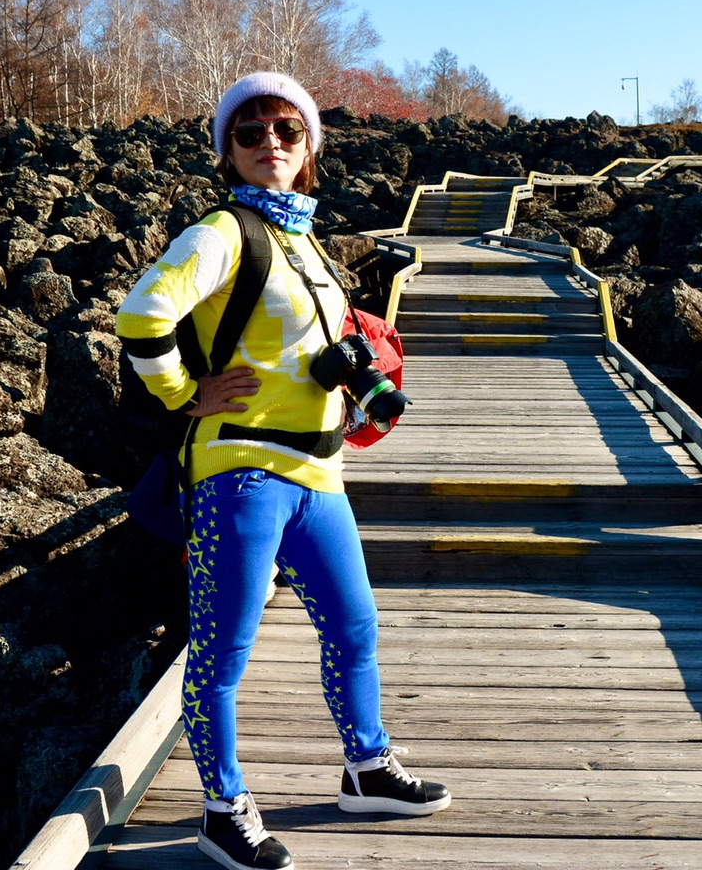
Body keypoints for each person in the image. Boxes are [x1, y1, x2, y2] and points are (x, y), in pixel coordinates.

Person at [116, 72, 449, 870]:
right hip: (242, 472)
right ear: (228, 152)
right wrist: (184, 394)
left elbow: (310, 354)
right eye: (251, 130)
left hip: (318, 474)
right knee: (222, 653)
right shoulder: (223, 231)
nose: (271, 142)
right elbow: (141, 314)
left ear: (310, 152)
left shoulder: (306, 244)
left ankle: (366, 769)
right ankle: (223, 808)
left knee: (355, 625)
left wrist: (357, 398)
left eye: (288, 130)